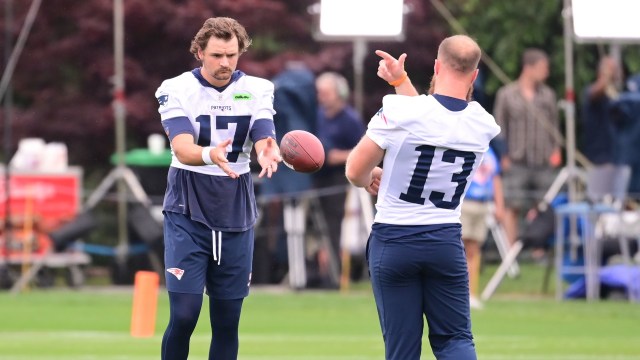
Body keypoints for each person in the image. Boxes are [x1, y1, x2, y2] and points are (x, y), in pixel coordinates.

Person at [346, 35, 500, 360]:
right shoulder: (483, 124)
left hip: (395, 240)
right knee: (456, 340)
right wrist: (401, 82)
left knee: (402, 351)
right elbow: (432, 119)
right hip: (444, 241)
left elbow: (354, 170)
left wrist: (370, 176)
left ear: (436, 66)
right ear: (474, 75)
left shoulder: (401, 111)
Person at [154, 17, 282, 360]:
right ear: (199, 53)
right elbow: (181, 147)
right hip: (187, 203)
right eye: (216, 55)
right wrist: (210, 154)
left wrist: (266, 148)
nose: (224, 63)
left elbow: (262, 131)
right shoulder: (176, 87)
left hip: (235, 204)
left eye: (231, 55)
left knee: (227, 321)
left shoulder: (257, 88)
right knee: (184, 315)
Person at [493, 48, 561, 249]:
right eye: (543, 68)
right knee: (512, 205)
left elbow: (554, 126)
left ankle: (539, 249)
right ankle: (510, 250)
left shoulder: (548, 95)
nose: (546, 72)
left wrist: (556, 150)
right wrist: (503, 155)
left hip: (542, 160)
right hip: (516, 160)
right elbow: (499, 127)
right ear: (529, 68)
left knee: (543, 206)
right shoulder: (507, 94)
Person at [313, 72, 366, 288]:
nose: (321, 97)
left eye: (326, 93)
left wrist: (337, 156)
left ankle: (335, 278)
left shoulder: (350, 119)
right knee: (318, 229)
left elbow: (364, 150)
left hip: (338, 180)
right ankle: (318, 273)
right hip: (317, 177)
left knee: (336, 228)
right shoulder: (317, 115)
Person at [580, 56, 630, 205]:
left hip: (617, 158)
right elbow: (596, 92)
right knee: (598, 203)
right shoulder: (592, 92)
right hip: (599, 158)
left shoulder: (616, 94)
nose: (617, 73)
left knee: (617, 204)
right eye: (613, 70)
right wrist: (606, 76)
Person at [460, 145, 505, 309]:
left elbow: (495, 177)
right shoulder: (463, 144)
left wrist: (499, 205)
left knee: (474, 250)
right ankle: (458, 293)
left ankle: (471, 293)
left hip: (483, 204)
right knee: (460, 249)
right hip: (465, 202)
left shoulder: (489, 151)